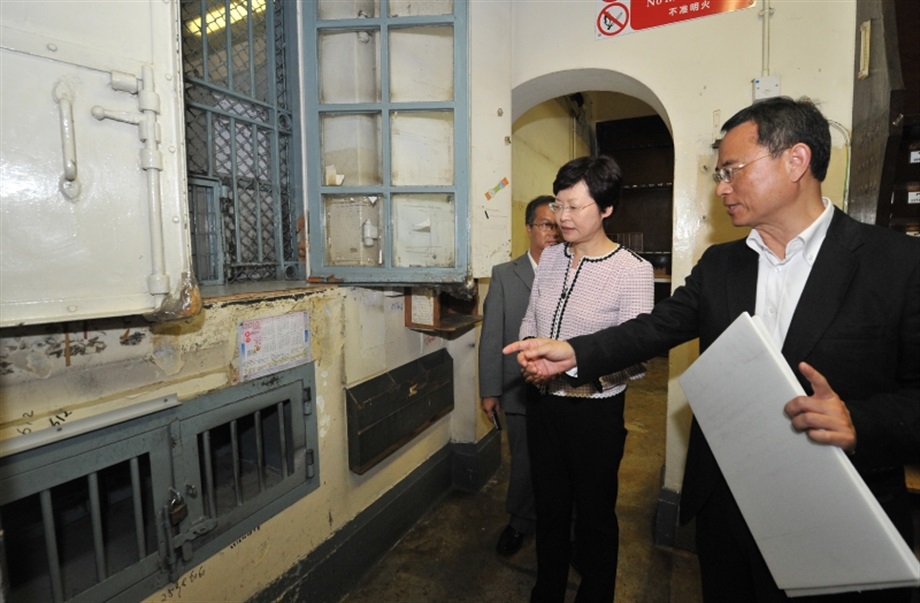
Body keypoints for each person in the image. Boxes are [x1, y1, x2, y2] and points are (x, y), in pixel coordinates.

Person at [505, 97, 920, 603]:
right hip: (725, 504)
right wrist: (572, 352)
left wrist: (860, 420)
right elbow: (655, 328)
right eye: (719, 172)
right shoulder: (722, 265)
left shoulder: (897, 265)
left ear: (796, 161)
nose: (721, 187)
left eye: (732, 170)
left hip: (831, 513)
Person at [520, 156, 653, 602]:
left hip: (593, 413)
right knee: (550, 509)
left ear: (607, 208)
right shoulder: (552, 257)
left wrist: (570, 366)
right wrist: (528, 356)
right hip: (543, 406)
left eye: (576, 207)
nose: (563, 218)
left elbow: (636, 359)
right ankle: (548, 590)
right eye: (559, 206)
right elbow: (530, 319)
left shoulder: (632, 271)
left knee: (595, 516)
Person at [479, 195, 559, 556]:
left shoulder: (572, 272)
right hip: (519, 387)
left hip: (565, 388)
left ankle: (563, 527)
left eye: (558, 226)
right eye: (545, 225)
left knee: (563, 462)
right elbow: (492, 336)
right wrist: (489, 390)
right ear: (529, 228)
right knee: (524, 460)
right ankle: (521, 521)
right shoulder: (504, 276)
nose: (552, 232)